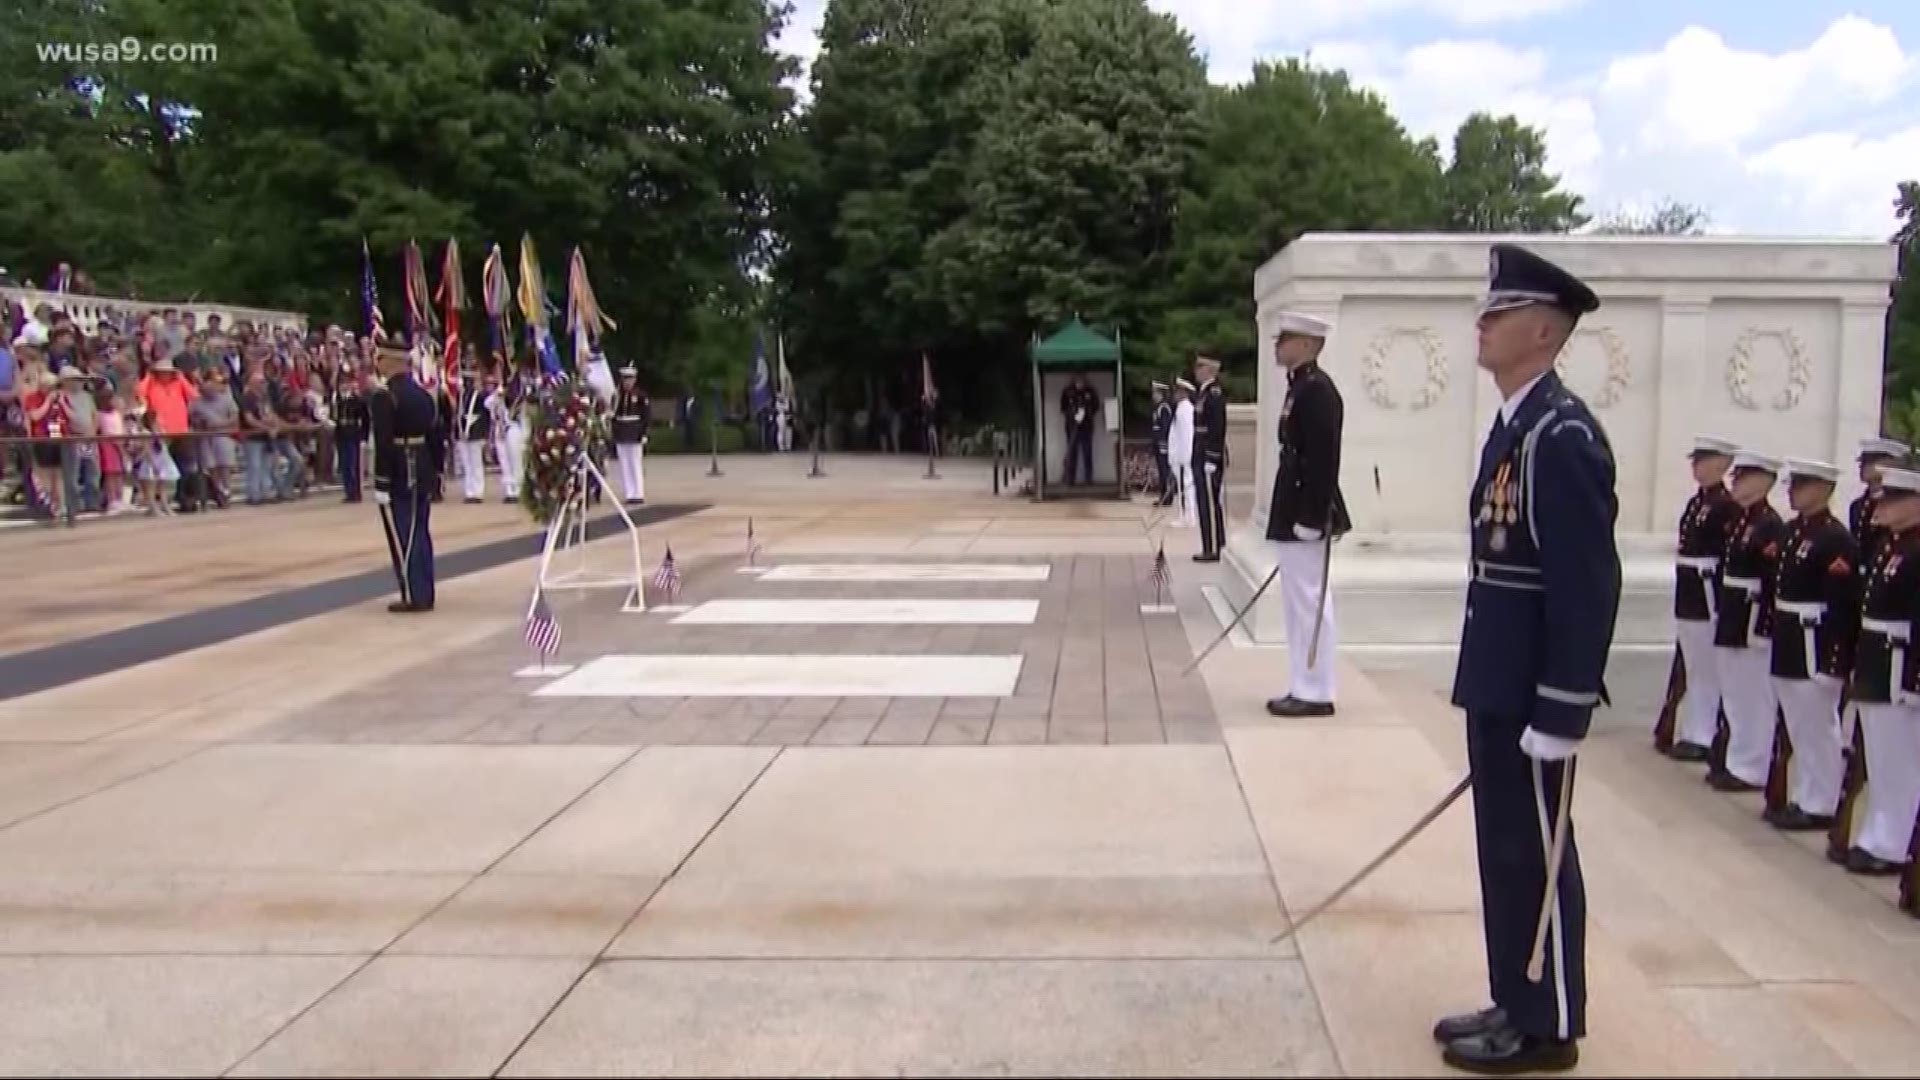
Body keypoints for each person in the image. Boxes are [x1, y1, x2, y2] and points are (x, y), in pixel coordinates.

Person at [1441, 243, 1616, 1074]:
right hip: (1498, 682)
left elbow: (1586, 587)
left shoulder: (1563, 437)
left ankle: (1551, 1025)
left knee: (1540, 856)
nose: (1483, 324)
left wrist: (1562, 711)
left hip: (1534, 696)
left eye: (1499, 313)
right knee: (1505, 850)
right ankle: (1516, 994)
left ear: (1542, 331)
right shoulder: (1517, 428)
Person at [1263, 313, 1351, 719]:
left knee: (1310, 602)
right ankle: (1302, 682)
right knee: (1296, 603)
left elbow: (1323, 460)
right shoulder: (1300, 386)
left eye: (1286, 339)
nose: (1278, 345)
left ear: (1308, 344)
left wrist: (1313, 515)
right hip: (1293, 505)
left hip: (1305, 509)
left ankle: (1316, 690)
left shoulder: (1318, 391)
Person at [1763, 458, 1857, 830]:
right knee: (1799, 724)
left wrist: (1834, 660)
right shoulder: (1791, 532)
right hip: (1789, 635)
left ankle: (1822, 801)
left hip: (1813, 639)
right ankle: (1806, 794)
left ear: (1824, 490)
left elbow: (1843, 607)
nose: (1793, 492)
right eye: (1794, 485)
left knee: (1819, 724)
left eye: (1802, 486)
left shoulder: (1836, 539)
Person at [1838, 466, 1920, 877]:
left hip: (1898, 663)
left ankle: (1893, 843)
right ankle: (1878, 834)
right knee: (1880, 757)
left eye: (1893, 500)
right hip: (1876, 658)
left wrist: (1915, 681)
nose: (1881, 507)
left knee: (1899, 760)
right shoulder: (1891, 546)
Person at [1709, 451, 1785, 793]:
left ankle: (1752, 765)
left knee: (1755, 695)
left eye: (1744, 477)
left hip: (1751, 615)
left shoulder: (1769, 524)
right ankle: (1737, 759)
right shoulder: (1742, 520)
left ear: (1763, 482)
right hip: (1733, 610)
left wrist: (1764, 625)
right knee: (1735, 692)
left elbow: (1772, 582)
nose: (1736, 483)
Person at [1664, 435, 1742, 761]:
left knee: (1707, 668)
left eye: (1704, 461)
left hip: (1708, 591)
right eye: (1696, 461)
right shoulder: (1699, 501)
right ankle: (1694, 728)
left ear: (1722, 464)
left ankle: (1705, 733)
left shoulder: (1726, 506)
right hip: (1691, 589)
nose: (1697, 467)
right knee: (1695, 665)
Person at [370, 343, 440, 613]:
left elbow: (384, 442)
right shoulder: (423, 395)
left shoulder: (386, 397)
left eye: (381, 359)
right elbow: (435, 436)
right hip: (421, 465)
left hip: (402, 468)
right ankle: (426, 589)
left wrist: (381, 481)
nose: (379, 364)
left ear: (391, 362)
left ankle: (416, 594)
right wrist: (436, 472)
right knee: (421, 530)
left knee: (408, 534)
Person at [1191, 355, 1227, 561]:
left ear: (1210, 370)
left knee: (1211, 504)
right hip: (1201, 451)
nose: (1196, 371)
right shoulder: (1203, 393)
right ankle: (1209, 545)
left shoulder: (1213, 394)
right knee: (1204, 502)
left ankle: (1213, 547)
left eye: (1200, 367)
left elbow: (1217, 427)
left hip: (1207, 455)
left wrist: (1212, 458)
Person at [610, 365, 650, 505]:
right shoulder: (617, 396)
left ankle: (638, 492)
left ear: (634, 379)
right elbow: (614, 415)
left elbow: (645, 416)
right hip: (622, 431)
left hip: (635, 430)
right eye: (625, 379)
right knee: (624, 463)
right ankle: (629, 493)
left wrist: (644, 433)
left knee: (635, 463)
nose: (628, 382)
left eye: (630, 379)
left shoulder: (640, 395)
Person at [453, 365, 491, 503]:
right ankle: (469, 491)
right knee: (466, 463)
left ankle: (478, 492)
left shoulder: (481, 396)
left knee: (476, 462)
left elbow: (486, 413)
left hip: (475, 431)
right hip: (462, 431)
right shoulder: (460, 395)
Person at [333, 365, 368, 503]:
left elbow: (365, 418)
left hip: (353, 431)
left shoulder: (357, 400)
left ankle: (356, 492)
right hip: (342, 432)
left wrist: (364, 436)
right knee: (345, 464)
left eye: (347, 382)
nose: (345, 385)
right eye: (342, 382)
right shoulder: (337, 399)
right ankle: (349, 491)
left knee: (354, 463)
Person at [1059, 373, 1099, 486]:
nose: (1080, 382)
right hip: (1072, 427)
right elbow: (1063, 408)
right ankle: (1070, 479)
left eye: (1082, 380)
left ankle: (1088, 479)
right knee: (1072, 453)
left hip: (1086, 427)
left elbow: (1096, 406)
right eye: (1078, 380)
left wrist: (1087, 413)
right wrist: (1072, 415)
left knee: (1087, 453)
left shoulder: (1090, 392)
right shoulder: (1068, 392)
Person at [1168, 378, 1196, 528]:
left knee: (1187, 486)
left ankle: (1188, 516)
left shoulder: (1184, 410)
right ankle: (1185, 515)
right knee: (1184, 486)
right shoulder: (1182, 408)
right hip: (1181, 455)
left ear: (1183, 392)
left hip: (1184, 455)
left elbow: (1186, 435)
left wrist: (1183, 457)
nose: (1174, 395)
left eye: (1177, 391)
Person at [1149, 382, 1174, 505]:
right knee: (1161, 471)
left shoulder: (1164, 408)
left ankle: (1167, 496)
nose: (1154, 395)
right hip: (1158, 443)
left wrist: (1164, 444)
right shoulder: (1158, 407)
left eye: (1155, 393)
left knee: (1165, 471)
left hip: (1163, 445)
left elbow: (1166, 427)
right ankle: (1163, 495)